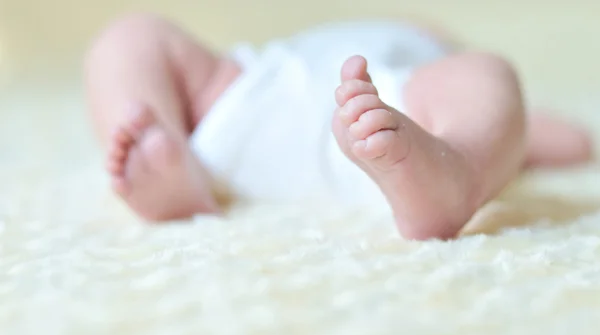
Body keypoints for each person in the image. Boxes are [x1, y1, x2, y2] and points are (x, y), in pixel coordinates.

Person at [85, 14, 593, 240]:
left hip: (408, 122)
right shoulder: (282, 59)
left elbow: (562, 139)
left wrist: (510, 132)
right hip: (240, 105)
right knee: (132, 35)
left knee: (488, 73)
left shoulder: (441, 71)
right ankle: (165, 154)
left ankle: (452, 173)